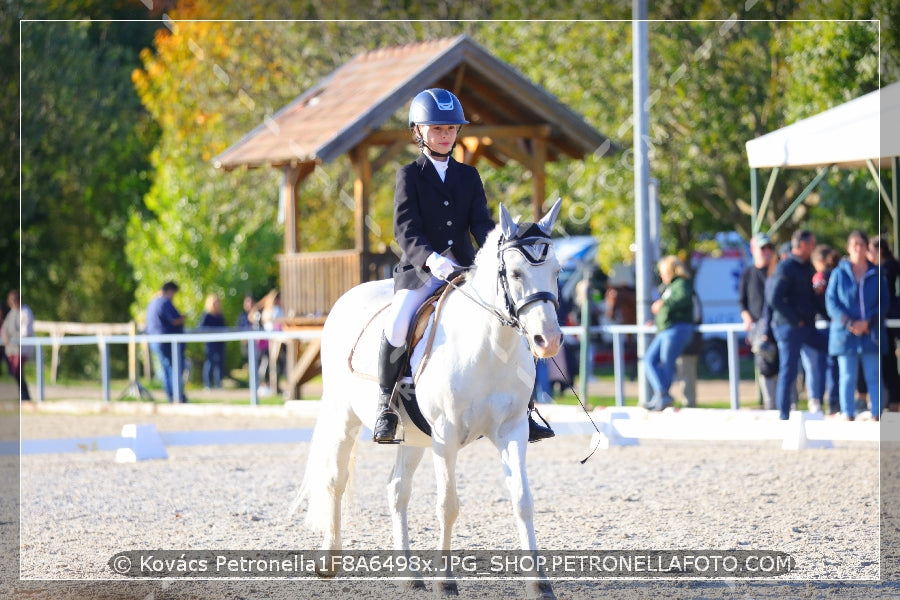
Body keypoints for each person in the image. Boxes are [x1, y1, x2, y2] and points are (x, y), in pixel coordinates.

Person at [373, 88, 553, 444]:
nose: (444, 135)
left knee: (511, 322)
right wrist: (432, 259)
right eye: (437, 129)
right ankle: (387, 406)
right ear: (418, 132)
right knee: (397, 325)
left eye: (451, 129)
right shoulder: (408, 175)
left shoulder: (468, 176)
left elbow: (481, 226)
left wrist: (501, 244)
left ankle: (525, 409)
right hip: (421, 272)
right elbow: (405, 229)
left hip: (468, 271)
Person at [826, 230, 887, 420]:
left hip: (871, 332)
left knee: (873, 375)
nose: (858, 249)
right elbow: (831, 301)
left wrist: (869, 321)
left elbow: (884, 302)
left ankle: (877, 412)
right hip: (846, 334)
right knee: (847, 376)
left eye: (862, 244)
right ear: (848, 248)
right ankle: (848, 412)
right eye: (854, 245)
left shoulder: (877, 274)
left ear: (867, 247)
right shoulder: (838, 273)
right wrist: (849, 322)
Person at [767, 229, 828, 420]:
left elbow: (811, 298)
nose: (814, 248)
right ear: (801, 245)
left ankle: (831, 403)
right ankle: (784, 415)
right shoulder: (786, 267)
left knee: (832, 348)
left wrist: (828, 315)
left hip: (805, 326)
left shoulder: (806, 267)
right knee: (789, 369)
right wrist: (796, 319)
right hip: (789, 326)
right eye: (811, 244)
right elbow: (774, 299)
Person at [643, 255, 695, 411]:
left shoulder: (681, 283)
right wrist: (657, 320)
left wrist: (663, 303)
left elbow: (682, 299)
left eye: (663, 271)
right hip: (665, 329)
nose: (661, 275)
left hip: (677, 329)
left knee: (667, 363)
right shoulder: (669, 286)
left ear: (671, 271)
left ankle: (661, 396)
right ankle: (661, 394)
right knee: (649, 360)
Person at [739, 232, 778, 409]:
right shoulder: (748, 273)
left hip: (777, 323)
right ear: (753, 250)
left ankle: (787, 403)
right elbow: (742, 301)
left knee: (784, 363)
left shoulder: (776, 271)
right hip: (758, 325)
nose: (767, 251)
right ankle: (771, 404)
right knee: (764, 363)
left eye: (769, 247)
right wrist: (746, 317)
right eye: (763, 248)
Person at [869, 235, 900, 411]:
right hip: (888, 318)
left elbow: (885, 296)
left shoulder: (885, 269)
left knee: (888, 362)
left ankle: (894, 401)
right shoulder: (888, 267)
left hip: (888, 319)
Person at [145, 281, 187, 402]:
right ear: (170, 291)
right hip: (167, 341)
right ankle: (177, 396)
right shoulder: (165, 302)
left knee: (166, 368)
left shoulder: (152, 303)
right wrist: (183, 318)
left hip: (154, 340)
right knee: (174, 368)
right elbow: (175, 320)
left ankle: (171, 396)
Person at [0, 290, 34, 401]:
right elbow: (5, 328)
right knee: (14, 372)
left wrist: (12, 338)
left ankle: (24, 396)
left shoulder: (25, 312)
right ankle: (21, 396)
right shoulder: (12, 313)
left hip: (21, 348)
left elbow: (25, 332)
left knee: (16, 372)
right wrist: (5, 337)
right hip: (12, 348)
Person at [198, 293, 226, 389]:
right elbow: (201, 328)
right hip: (210, 344)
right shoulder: (207, 315)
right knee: (210, 363)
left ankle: (218, 384)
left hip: (219, 343)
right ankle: (208, 384)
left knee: (219, 363)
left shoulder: (220, 315)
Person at [235, 294, 255, 371]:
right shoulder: (242, 316)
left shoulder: (257, 314)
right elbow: (239, 328)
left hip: (257, 344)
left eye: (251, 302)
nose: (249, 304)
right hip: (246, 343)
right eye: (247, 302)